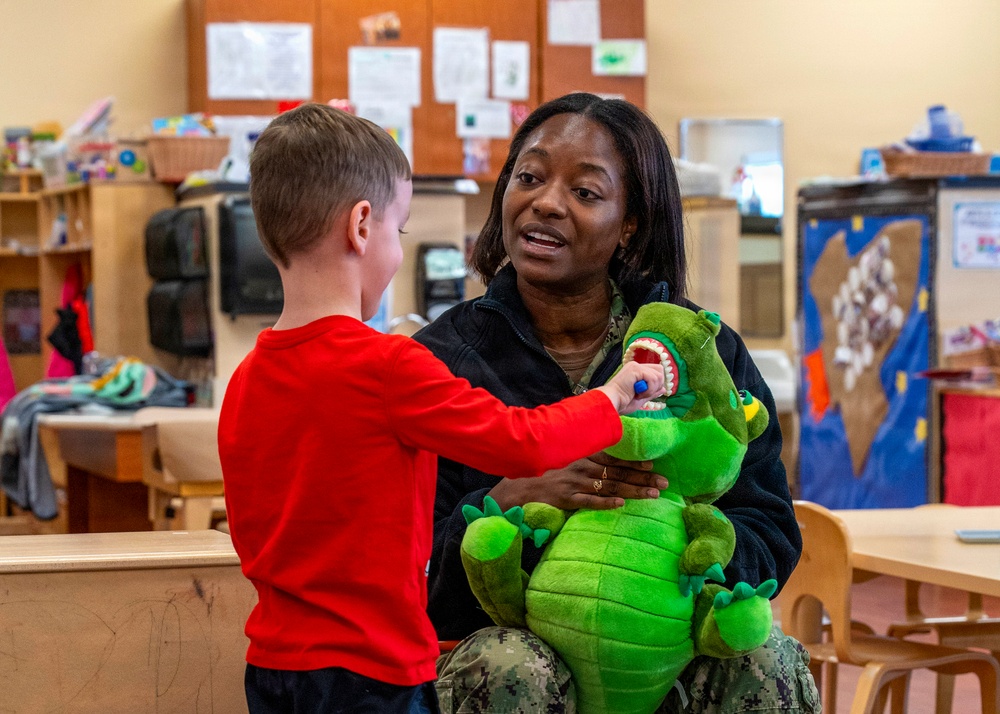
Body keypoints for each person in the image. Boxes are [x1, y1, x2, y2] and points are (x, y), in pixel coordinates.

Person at [217, 102, 668, 714]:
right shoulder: (390, 367)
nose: (398, 252)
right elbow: (522, 442)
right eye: (398, 232)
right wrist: (612, 397)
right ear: (360, 226)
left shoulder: (246, 379)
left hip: (272, 665)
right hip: (373, 670)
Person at [414, 92, 821, 713]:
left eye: (585, 192)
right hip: (509, 653)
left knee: (767, 657)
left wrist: (684, 547)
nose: (546, 202)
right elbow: (406, 566)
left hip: (666, 659)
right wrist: (506, 500)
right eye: (529, 177)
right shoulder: (441, 359)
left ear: (629, 223)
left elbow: (770, 527)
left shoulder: (697, 349)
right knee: (506, 662)